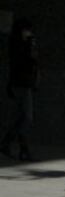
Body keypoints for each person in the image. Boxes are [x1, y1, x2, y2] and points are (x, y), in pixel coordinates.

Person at [0, 18, 38, 162]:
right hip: (21, 83)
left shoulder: (22, 44)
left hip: (22, 83)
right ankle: (19, 147)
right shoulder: (19, 45)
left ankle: (10, 144)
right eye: (26, 30)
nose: (29, 33)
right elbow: (27, 60)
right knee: (26, 117)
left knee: (20, 117)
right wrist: (29, 44)